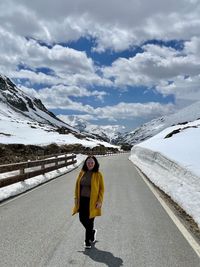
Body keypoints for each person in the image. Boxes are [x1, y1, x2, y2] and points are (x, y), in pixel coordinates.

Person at [72, 155, 105, 249]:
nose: (90, 164)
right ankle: (92, 232)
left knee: (90, 221)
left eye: (92, 162)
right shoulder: (82, 173)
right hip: (82, 200)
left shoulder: (98, 174)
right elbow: (77, 186)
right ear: (86, 163)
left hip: (93, 202)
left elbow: (102, 189)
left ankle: (87, 242)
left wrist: (100, 201)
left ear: (95, 164)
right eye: (88, 162)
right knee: (82, 219)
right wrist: (76, 198)